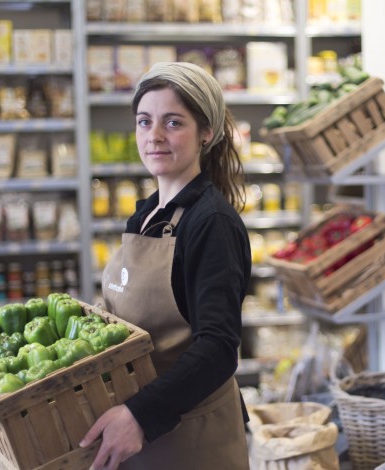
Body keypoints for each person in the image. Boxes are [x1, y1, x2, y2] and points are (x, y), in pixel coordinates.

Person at [79, 62, 252, 469]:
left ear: (205, 132)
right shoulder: (145, 217)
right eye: (144, 122)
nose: (154, 136)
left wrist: (140, 414)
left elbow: (218, 349)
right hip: (141, 433)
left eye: (173, 123)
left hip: (192, 440)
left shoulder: (211, 223)